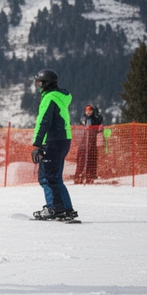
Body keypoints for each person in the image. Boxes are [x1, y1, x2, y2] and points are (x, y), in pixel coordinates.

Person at [31, 69, 77, 221]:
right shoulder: (60, 97)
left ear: (46, 83)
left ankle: (54, 208)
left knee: (47, 177)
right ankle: (65, 208)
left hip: (53, 141)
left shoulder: (49, 98)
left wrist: (37, 144)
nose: (38, 86)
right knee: (55, 177)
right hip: (63, 140)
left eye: (39, 83)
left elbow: (43, 121)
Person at [74, 104, 103, 184]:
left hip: (92, 141)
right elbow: (81, 126)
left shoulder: (95, 119)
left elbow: (99, 121)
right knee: (81, 158)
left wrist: (98, 115)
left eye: (90, 111)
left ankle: (90, 175)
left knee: (91, 158)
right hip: (84, 141)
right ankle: (79, 174)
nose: (88, 112)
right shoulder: (84, 119)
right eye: (87, 111)